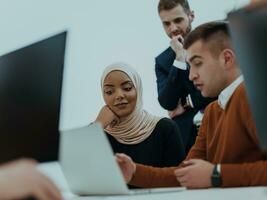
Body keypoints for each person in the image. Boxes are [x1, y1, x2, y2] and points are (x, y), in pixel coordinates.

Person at [115, 21, 267, 188]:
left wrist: (215, 174)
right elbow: (185, 174)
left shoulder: (251, 96)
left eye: (197, 63)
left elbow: (210, 175)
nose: (191, 75)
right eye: (190, 66)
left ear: (227, 59)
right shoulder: (212, 112)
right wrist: (133, 172)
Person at [95, 62, 185, 168]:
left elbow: (177, 178)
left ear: (138, 89)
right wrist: (98, 125)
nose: (119, 96)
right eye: (109, 92)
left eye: (127, 88)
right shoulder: (99, 135)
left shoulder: (165, 129)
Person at [155, 0, 215, 152]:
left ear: (191, 16)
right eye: (166, 24)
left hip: (218, 124)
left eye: (178, 20)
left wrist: (188, 102)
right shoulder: (162, 61)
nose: (173, 28)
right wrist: (179, 58)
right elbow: (167, 102)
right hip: (186, 139)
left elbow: (222, 85)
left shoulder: (212, 44)